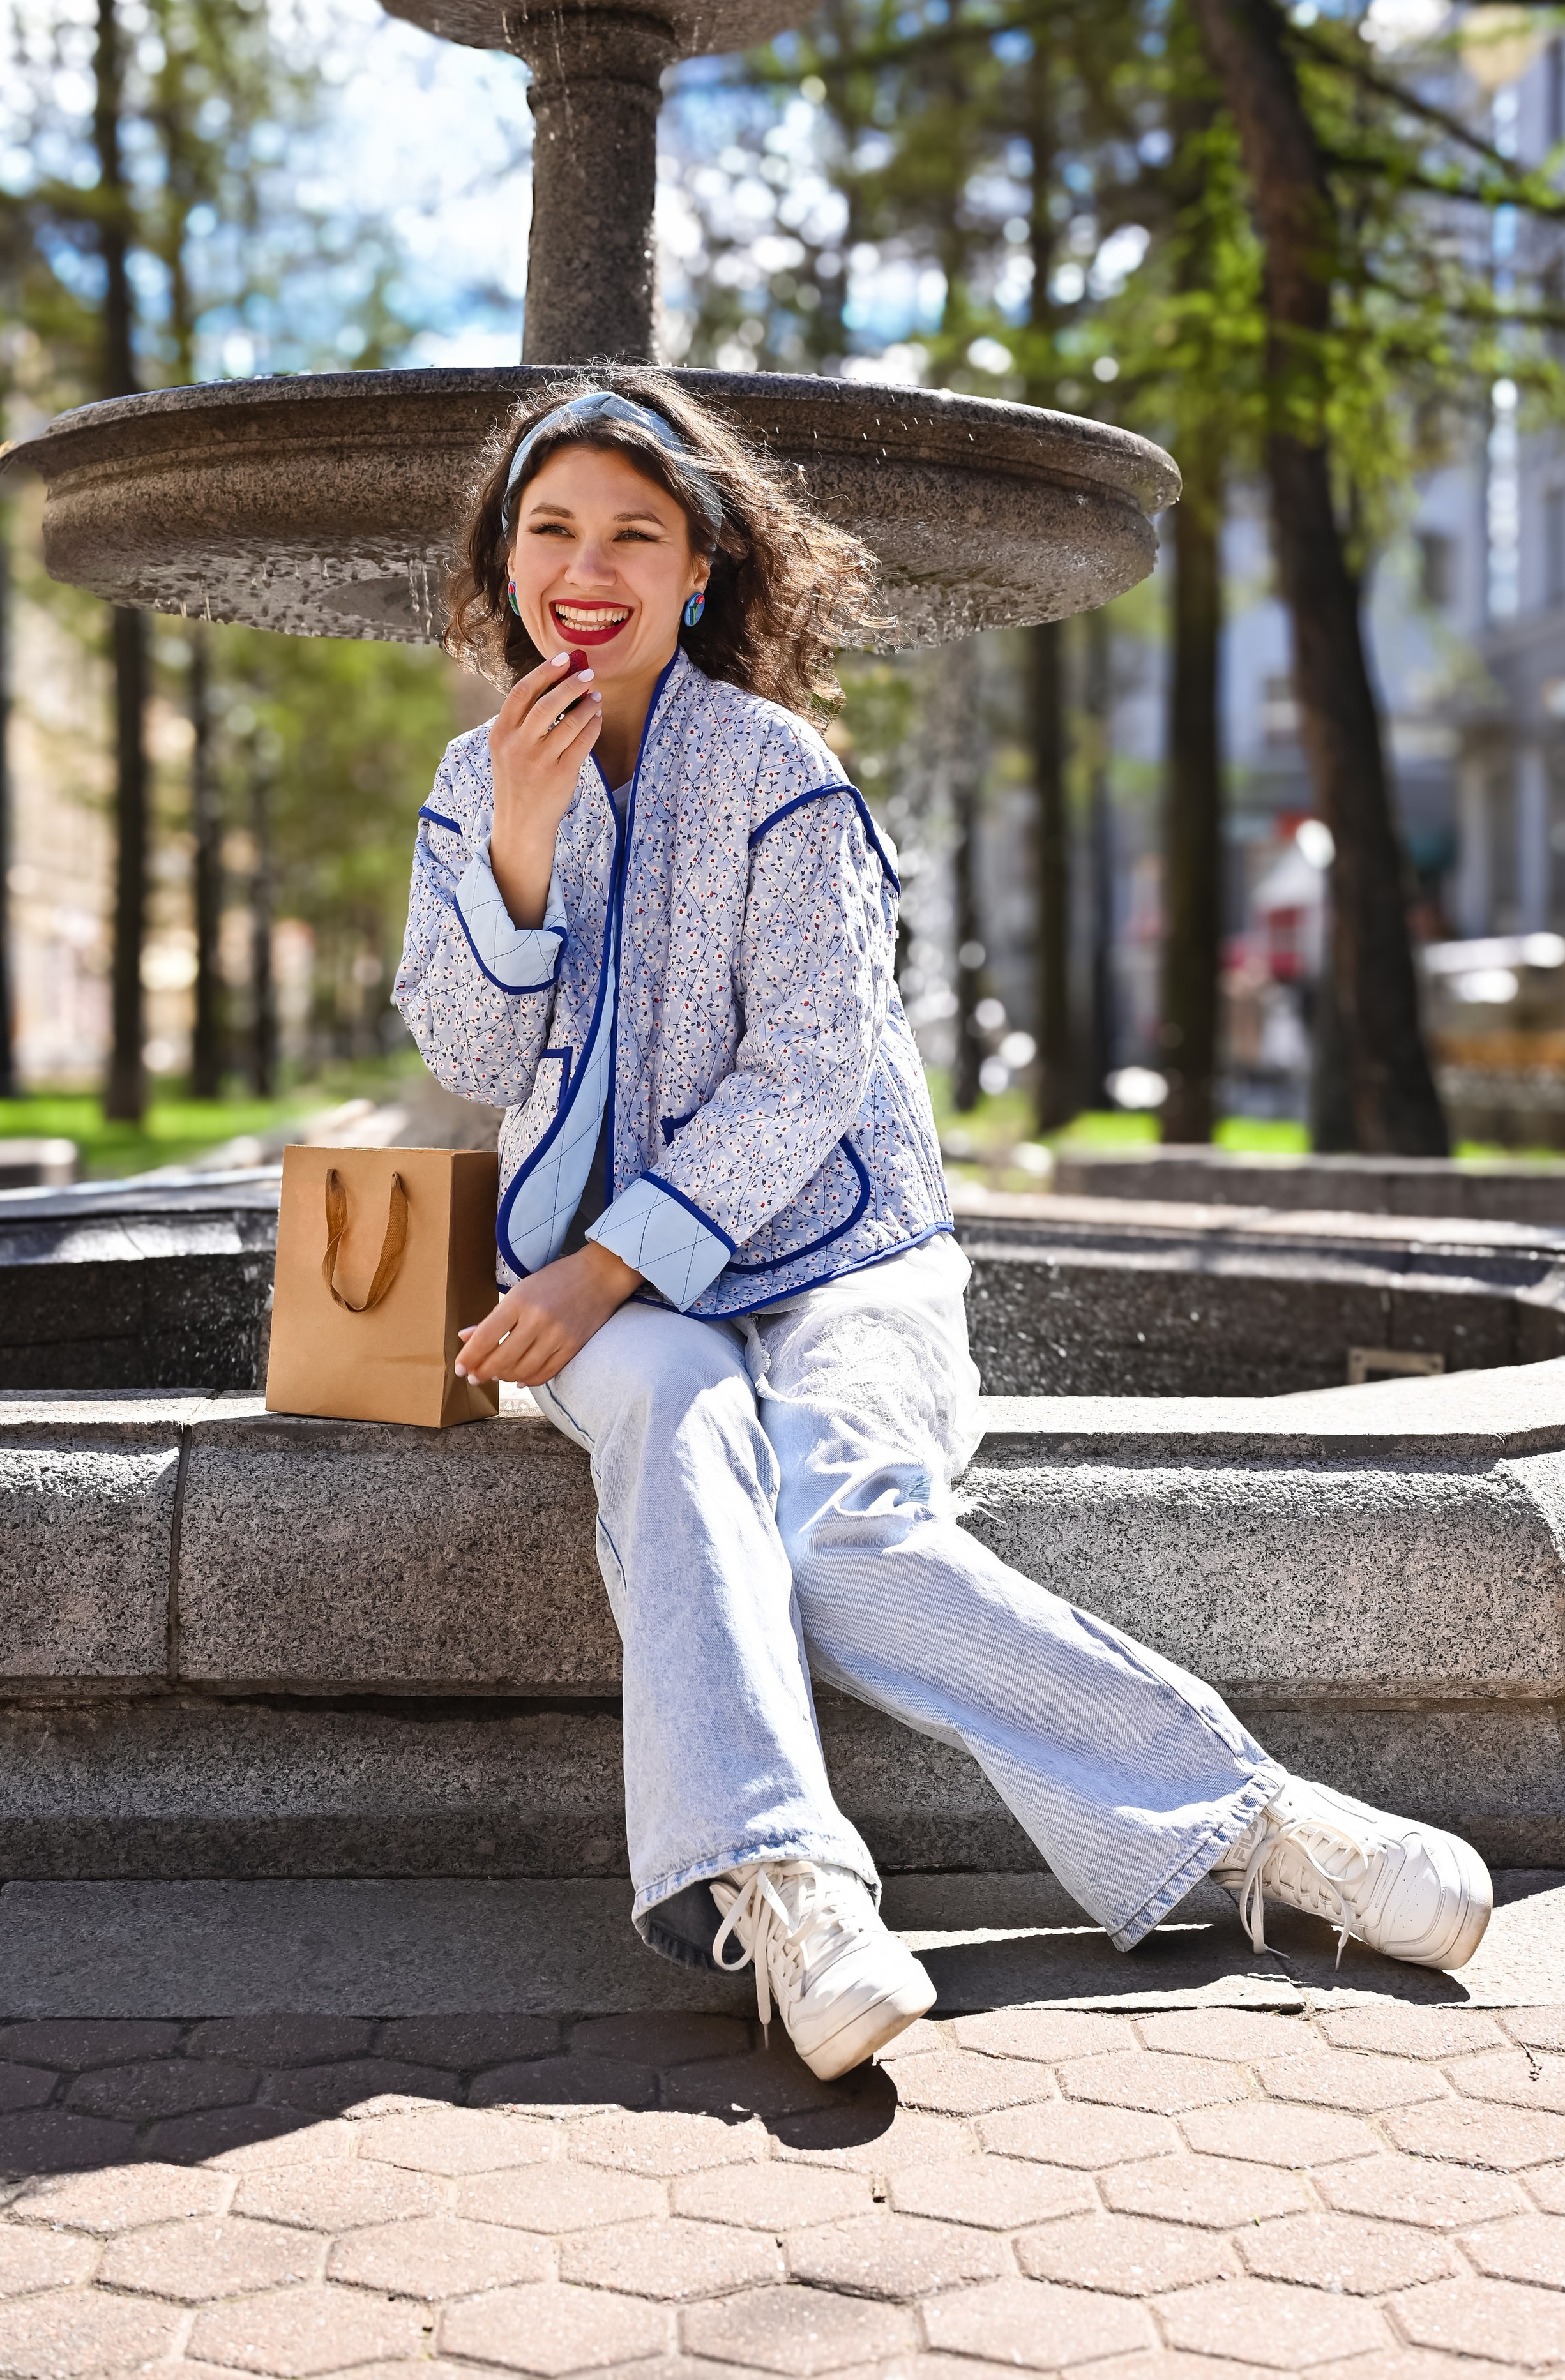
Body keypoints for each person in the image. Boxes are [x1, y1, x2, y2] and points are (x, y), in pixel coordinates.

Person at [394, 377, 1492, 2082]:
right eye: (551, 530)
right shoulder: (476, 784)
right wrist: (519, 859)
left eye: (633, 534)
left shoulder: (777, 771)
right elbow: (465, 1054)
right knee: (675, 1416)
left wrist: (604, 1269)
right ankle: (793, 1888)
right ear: (506, 561)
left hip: (835, 1253)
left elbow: (810, 1074)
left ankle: (1250, 1821)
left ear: (697, 571)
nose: (586, 569)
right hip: (613, 1288)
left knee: (836, 1528)